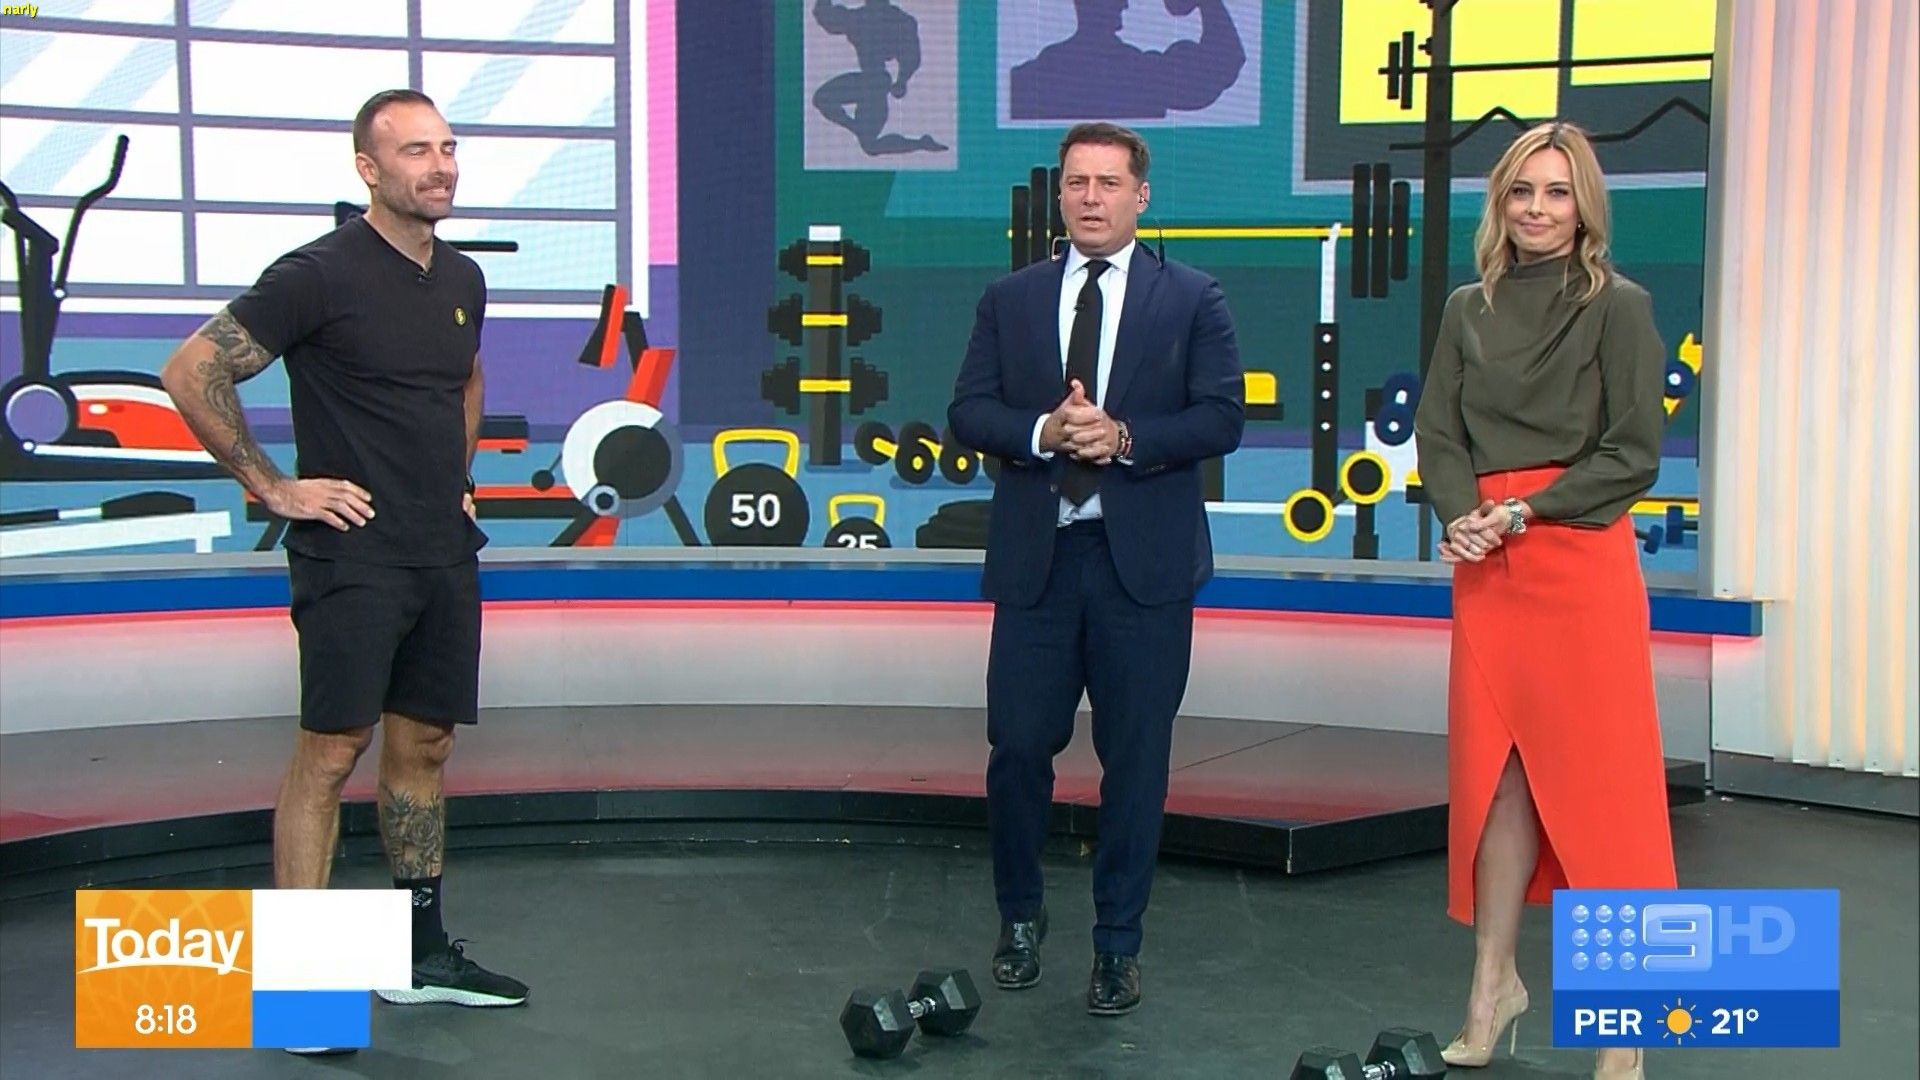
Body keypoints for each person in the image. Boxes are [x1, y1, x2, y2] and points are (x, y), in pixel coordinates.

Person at [159, 89, 528, 1052]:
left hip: (440, 553)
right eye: (415, 151)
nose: (440, 167)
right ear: (368, 169)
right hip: (352, 556)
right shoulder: (317, 274)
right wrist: (272, 485)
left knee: (426, 747)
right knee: (329, 757)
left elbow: (465, 376)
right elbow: (191, 370)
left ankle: (418, 957)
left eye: (448, 148)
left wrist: (457, 478)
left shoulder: (462, 276)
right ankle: (299, 990)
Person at [948, 121, 1243, 1016]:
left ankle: (1118, 944)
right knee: (1017, 747)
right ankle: (1020, 917)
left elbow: (1221, 418)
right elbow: (970, 411)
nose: (1090, 197)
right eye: (1076, 182)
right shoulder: (1010, 299)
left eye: (1108, 183)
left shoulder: (1191, 296)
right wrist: (1044, 431)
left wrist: (1124, 438)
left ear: (1140, 196)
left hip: (1141, 570)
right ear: (1060, 193)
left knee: (1136, 762)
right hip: (1040, 564)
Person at [1413, 120, 1675, 1080]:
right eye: (1522, 190)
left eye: (1557, 192)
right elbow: (1440, 433)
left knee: (1604, 791)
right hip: (1489, 563)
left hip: (1577, 557)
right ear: (1501, 203)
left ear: (1585, 206)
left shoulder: (1620, 308)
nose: (1537, 208)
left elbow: (1632, 452)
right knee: (1496, 783)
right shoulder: (1467, 308)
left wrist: (1524, 511)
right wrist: (1461, 516)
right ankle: (1491, 988)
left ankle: (1627, 1025)